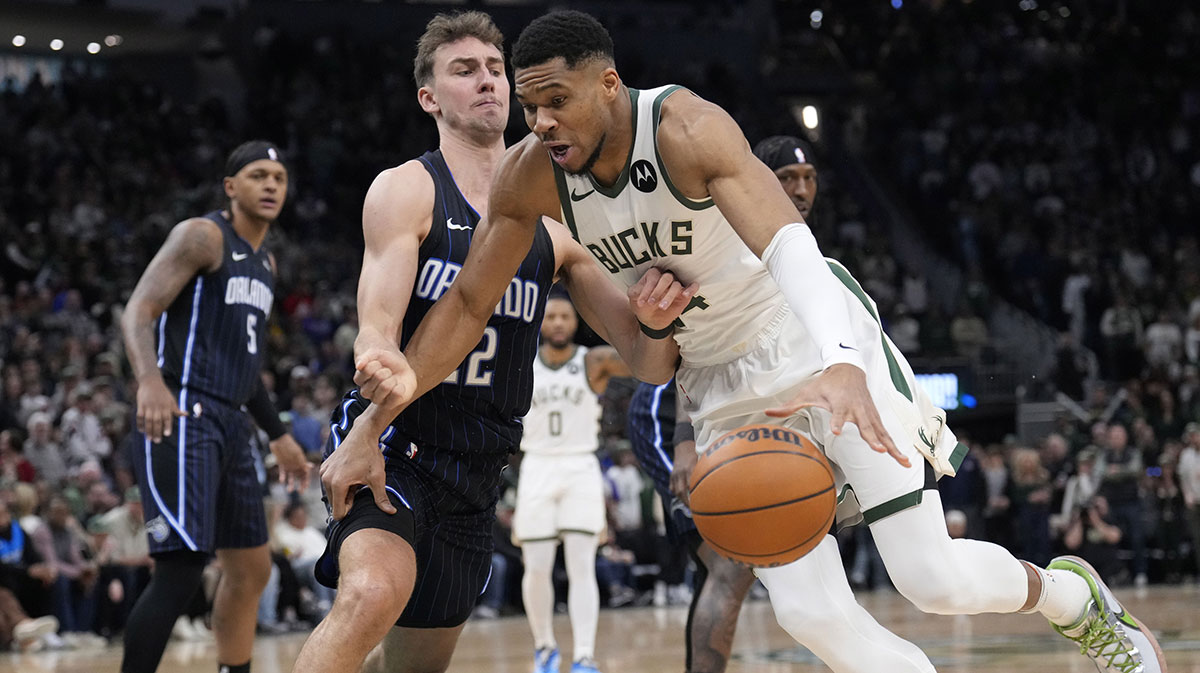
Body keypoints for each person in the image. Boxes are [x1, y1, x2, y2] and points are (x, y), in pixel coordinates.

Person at [379, 10, 1165, 673]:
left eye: (556, 100)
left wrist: (845, 364)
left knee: (935, 578)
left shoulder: (686, 127)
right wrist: (377, 418)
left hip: (803, 336)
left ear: (609, 84)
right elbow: (468, 303)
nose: (540, 120)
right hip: (719, 382)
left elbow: (790, 244)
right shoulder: (530, 175)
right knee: (811, 615)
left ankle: (1075, 599)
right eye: (529, 105)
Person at [295, 12, 690, 673]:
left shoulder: (565, 219)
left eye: (494, 69)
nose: (486, 81)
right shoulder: (407, 187)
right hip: (397, 439)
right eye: (463, 70)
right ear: (429, 96)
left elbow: (649, 363)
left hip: (480, 467)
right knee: (369, 593)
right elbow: (379, 316)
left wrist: (656, 318)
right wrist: (375, 348)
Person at [624, 134, 818, 673]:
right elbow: (698, 351)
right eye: (786, 181)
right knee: (730, 564)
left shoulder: (794, 244)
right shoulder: (731, 233)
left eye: (808, 179)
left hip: (734, 404)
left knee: (752, 560)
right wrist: (685, 445)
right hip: (675, 406)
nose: (800, 191)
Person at [119, 140, 311, 673]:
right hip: (182, 412)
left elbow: (246, 367)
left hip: (232, 420)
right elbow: (138, 310)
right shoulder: (202, 236)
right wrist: (149, 383)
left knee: (252, 569)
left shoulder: (267, 261)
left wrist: (278, 434)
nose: (272, 184)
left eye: (279, 176)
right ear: (231, 187)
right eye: (257, 175)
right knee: (181, 568)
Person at [516, 293, 630, 673]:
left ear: (575, 321)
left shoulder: (593, 361)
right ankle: (544, 647)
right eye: (551, 317)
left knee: (583, 566)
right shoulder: (520, 363)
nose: (559, 323)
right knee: (536, 566)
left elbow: (644, 362)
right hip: (537, 466)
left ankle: (584, 655)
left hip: (581, 465)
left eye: (566, 316)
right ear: (540, 322)